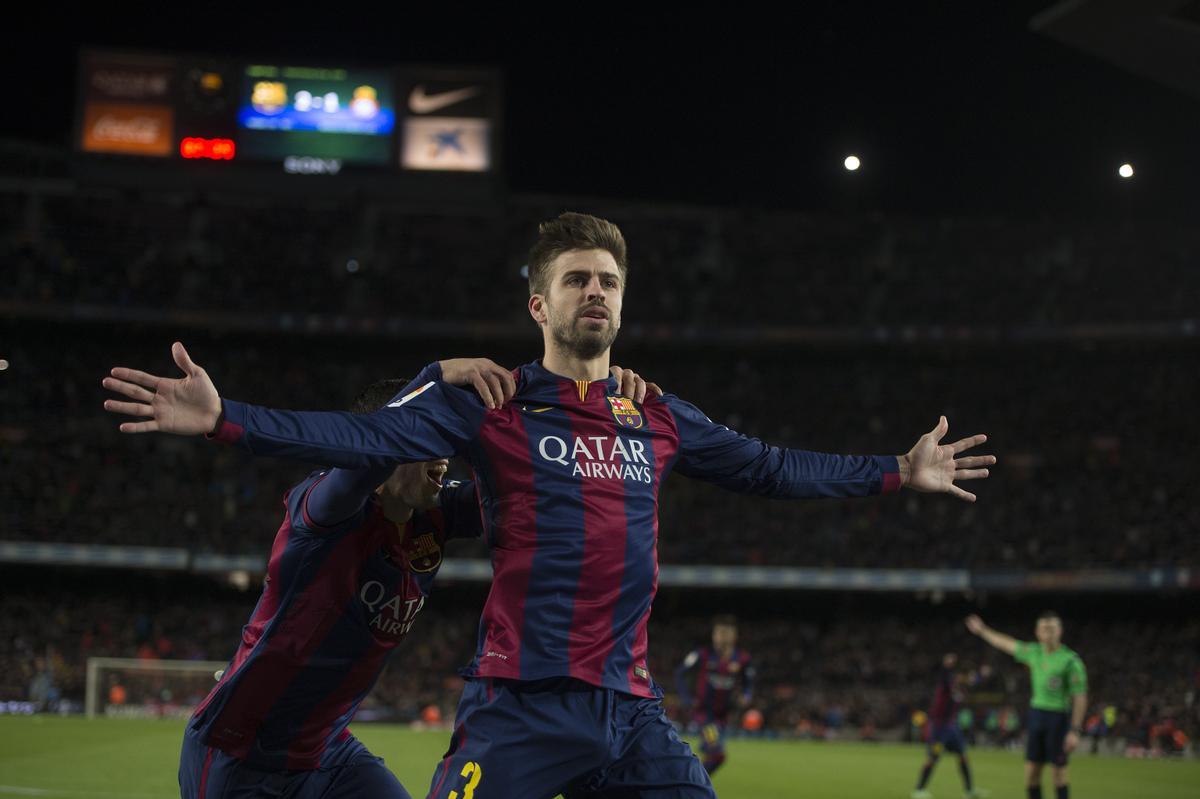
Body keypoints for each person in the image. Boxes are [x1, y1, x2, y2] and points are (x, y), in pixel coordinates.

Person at [105, 212, 995, 798]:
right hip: (522, 704)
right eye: (575, 278)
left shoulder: (657, 414)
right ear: (539, 302)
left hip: (633, 708)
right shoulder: (492, 407)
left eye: (608, 278)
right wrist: (228, 421)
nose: (595, 290)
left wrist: (894, 470)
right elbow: (361, 441)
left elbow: (769, 467)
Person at [175, 362, 653, 799]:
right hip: (237, 754)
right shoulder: (324, 510)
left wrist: (597, 398)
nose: (442, 453)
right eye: (422, 439)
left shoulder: (434, 515)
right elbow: (365, 458)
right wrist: (436, 375)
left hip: (324, 753)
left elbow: (544, 479)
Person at [966, 612, 1088, 799]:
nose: (1047, 632)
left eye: (1052, 628)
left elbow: (1080, 697)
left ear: (1060, 631)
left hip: (1058, 718)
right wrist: (982, 630)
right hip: (1037, 715)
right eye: (1044, 628)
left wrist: (1075, 730)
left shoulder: (1071, 661)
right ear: (1037, 632)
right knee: (1031, 773)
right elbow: (1005, 643)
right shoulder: (1033, 652)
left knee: (1059, 774)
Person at [674, 615, 754, 775]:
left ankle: (690, 782)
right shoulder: (702, 654)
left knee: (711, 755)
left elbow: (748, 681)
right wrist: (686, 698)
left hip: (723, 717)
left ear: (734, 636)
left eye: (726, 633)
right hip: (704, 715)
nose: (722, 638)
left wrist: (746, 695)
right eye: (719, 633)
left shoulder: (743, 659)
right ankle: (693, 785)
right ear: (713, 636)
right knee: (717, 755)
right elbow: (680, 673)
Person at [911, 652, 986, 799]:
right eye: (968, 675)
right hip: (938, 727)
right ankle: (918, 790)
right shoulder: (947, 685)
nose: (970, 679)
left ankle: (969, 791)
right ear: (960, 675)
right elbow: (944, 676)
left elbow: (974, 681)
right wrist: (946, 666)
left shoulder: (960, 688)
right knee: (933, 758)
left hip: (951, 728)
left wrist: (982, 675)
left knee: (963, 756)